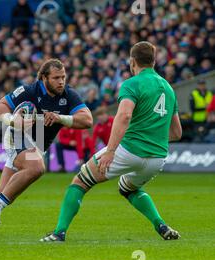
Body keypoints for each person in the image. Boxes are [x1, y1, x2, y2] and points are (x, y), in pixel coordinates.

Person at [41, 41, 182, 242]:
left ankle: (59, 233)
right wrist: (152, 135)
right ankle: (161, 225)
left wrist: (111, 151)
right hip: (157, 158)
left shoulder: (132, 84)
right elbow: (177, 133)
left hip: (130, 150)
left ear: (132, 62)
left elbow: (123, 116)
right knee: (128, 188)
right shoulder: (169, 88)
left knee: (80, 181)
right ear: (154, 61)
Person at [0, 59, 92, 235]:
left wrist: (61, 118)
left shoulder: (68, 95)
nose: (61, 82)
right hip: (17, 137)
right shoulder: (29, 91)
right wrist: (13, 120)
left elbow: (87, 120)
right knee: (37, 167)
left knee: (3, 192)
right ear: (44, 78)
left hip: (37, 146)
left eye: (63, 77)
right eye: (56, 78)